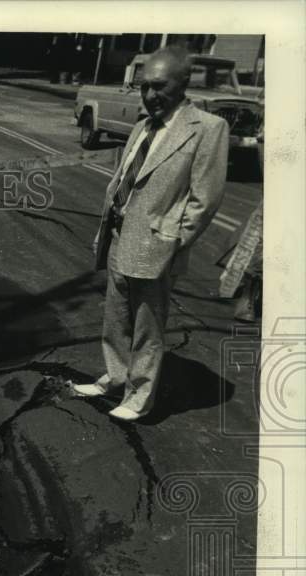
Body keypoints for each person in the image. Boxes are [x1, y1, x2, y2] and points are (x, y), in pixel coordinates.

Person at [74, 47, 229, 421]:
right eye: (144, 87)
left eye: (159, 86)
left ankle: (140, 397)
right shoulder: (144, 126)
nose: (149, 95)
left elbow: (204, 198)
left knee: (147, 326)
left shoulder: (207, 128)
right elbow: (126, 176)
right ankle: (115, 375)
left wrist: (173, 241)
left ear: (182, 85)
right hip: (118, 235)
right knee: (115, 318)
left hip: (156, 245)